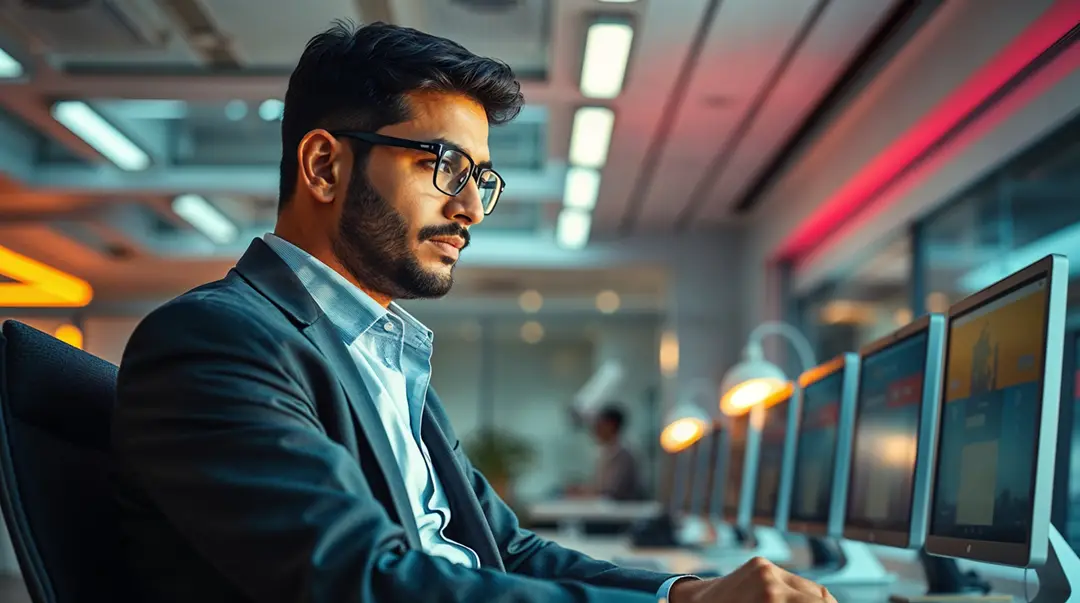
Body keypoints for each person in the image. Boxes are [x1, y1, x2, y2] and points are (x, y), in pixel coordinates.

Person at [111, 20, 835, 603]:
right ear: (325, 166)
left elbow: (507, 548)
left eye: (480, 179)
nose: (468, 209)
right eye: (444, 165)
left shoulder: (382, 356)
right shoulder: (216, 341)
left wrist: (683, 594)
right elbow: (364, 580)